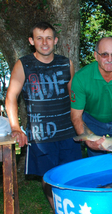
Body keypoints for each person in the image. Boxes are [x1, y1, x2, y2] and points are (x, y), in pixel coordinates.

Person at [5, 21, 82, 209]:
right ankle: (59, 209)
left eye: (49, 38)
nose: (45, 42)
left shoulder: (66, 63)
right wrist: (15, 127)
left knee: (74, 177)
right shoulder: (23, 64)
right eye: (39, 38)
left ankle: (73, 208)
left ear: (55, 40)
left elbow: (75, 98)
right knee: (49, 179)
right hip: (41, 136)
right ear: (32, 41)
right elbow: (11, 98)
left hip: (69, 134)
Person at [70, 37, 112, 157]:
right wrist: (89, 143)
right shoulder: (81, 78)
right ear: (96, 55)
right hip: (92, 119)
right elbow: (76, 116)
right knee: (96, 158)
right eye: (104, 55)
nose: (110, 59)